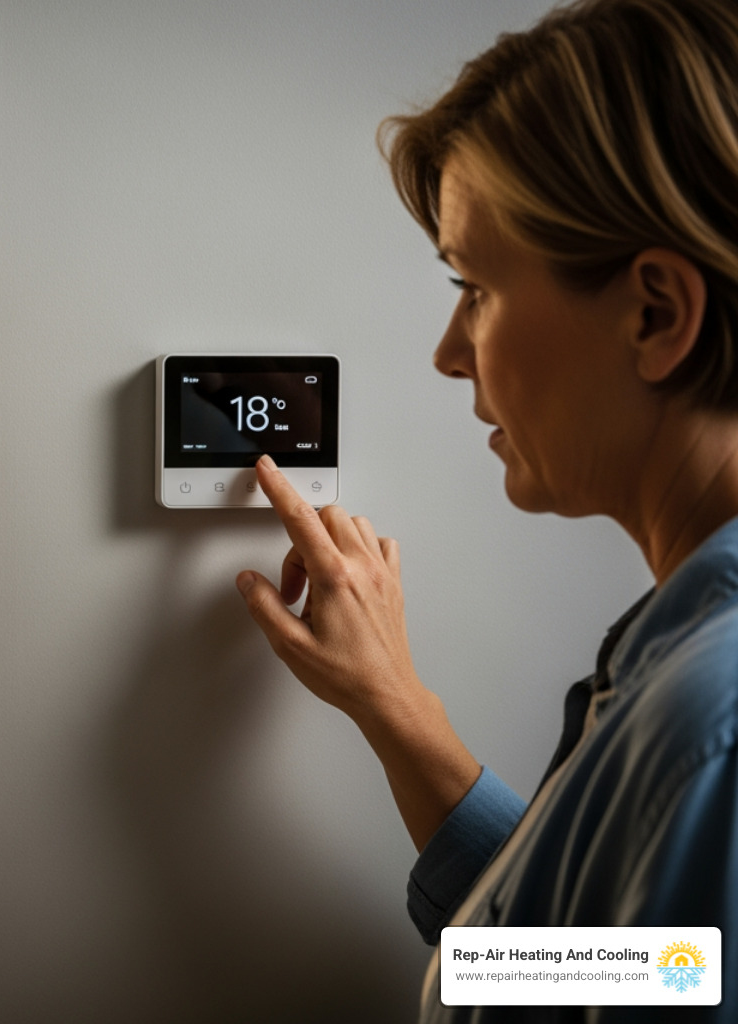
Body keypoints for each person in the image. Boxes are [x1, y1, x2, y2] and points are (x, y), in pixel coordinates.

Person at [234, 0, 738, 1019]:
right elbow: (628, 965)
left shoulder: (713, 729)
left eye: (474, 287)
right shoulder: (677, 671)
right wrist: (397, 710)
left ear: (656, 313)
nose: (447, 351)